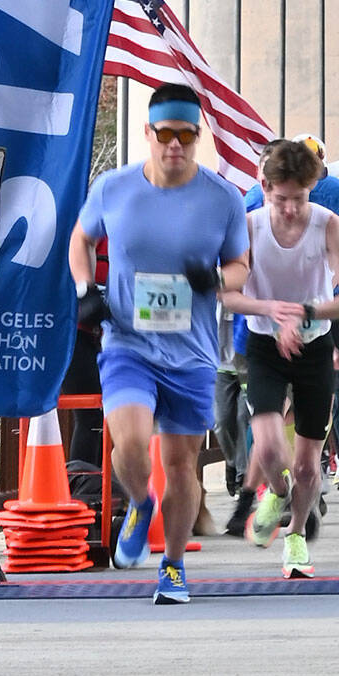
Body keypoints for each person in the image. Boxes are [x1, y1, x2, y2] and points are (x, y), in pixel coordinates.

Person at [68, 83, 249, 605]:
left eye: (186, 135)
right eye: (165, 134)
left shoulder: (223, 199)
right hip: (127, 340)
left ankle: (172, 567)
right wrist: (85, 291)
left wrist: (214, 279)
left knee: (180, 465)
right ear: (147, 133)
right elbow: (81, 239)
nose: (175, 145)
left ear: (199, 136)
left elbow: (242, 267)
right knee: (128, 440)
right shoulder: (114, 187)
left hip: (190, 353)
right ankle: (138, 502)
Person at [221, 138, 339, 578]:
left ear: (312, 189)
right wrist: (272, 311)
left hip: (313, 346)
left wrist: (305, 312)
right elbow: (228, 295)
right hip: (264, 344)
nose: (288, 209)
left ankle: (297, 536)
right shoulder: (248, 227)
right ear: (264, 189)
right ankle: (275, 493)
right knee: (266, 447)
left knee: (306, 463)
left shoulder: (329, 225)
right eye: (280, 199)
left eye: (298, 199)